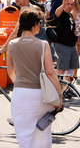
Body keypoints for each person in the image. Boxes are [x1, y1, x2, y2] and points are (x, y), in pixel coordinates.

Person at [6, 8, 62, 147]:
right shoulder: (43, 45)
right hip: (41, 95)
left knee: (24, 137)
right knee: (43, 135)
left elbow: (10, 70)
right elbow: (50, 72)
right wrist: (59, 95)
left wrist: (19, 82)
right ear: (35, 25)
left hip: (21, 95)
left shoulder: (12, 44)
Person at [48, 0, 79, 81]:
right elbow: (56, 14)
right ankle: (58, 91)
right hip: (62, 45)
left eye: (71, 4)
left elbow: (71, 28)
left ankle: (65, 90)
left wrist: (75, 31)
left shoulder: (70, 16)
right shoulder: (61, 14)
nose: (69, 6)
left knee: (71, 69)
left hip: (72, 45)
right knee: (61, 70)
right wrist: (62, 5)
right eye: (67, 4)